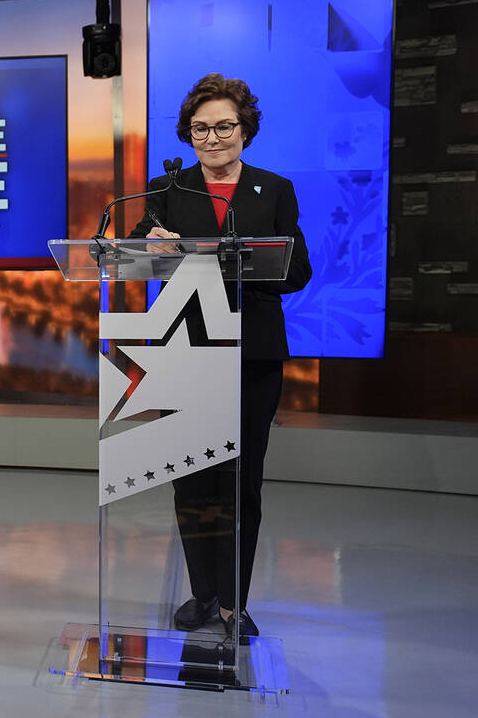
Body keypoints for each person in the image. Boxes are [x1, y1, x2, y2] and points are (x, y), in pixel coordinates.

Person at [129, 73, 311, 641]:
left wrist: (251, 260)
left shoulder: (274, 189)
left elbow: (298, 271)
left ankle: (235, 601)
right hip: (186, 346)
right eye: (201, 128)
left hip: (252, 352)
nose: (213, 137)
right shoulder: (167, 189)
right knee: (192, 479)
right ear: (188, 134)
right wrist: (150, 248)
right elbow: (133, 254)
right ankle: (203, 592)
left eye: (224, 126)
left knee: (240, 480)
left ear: (244, 129)